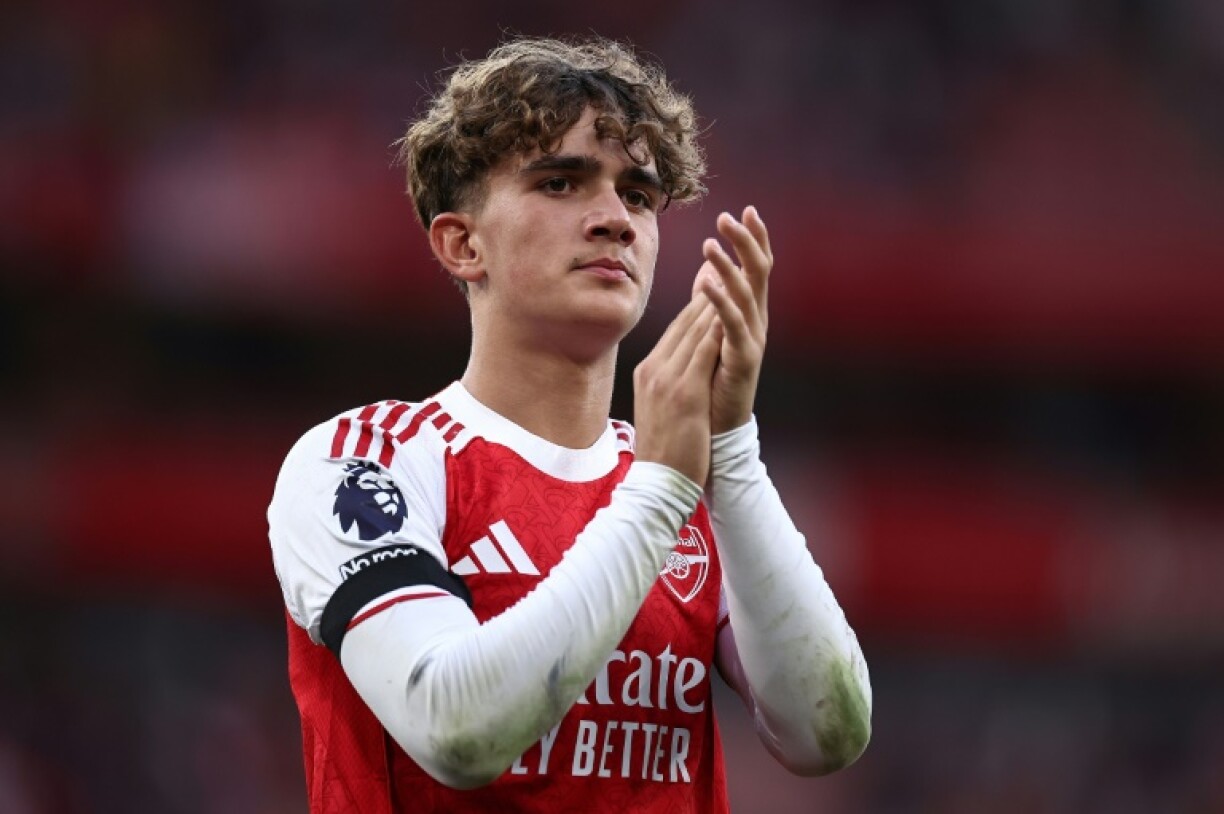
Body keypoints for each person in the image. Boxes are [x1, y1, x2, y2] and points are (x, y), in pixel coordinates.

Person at [267, 35, 871, 813]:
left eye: (640, 196)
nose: (615, 220)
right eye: (561, 182)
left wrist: (730, 448)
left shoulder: (689, 479)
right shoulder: (364, 464)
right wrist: (660, 490)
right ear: (461, 244)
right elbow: (459, 731)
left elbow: (828, 734)